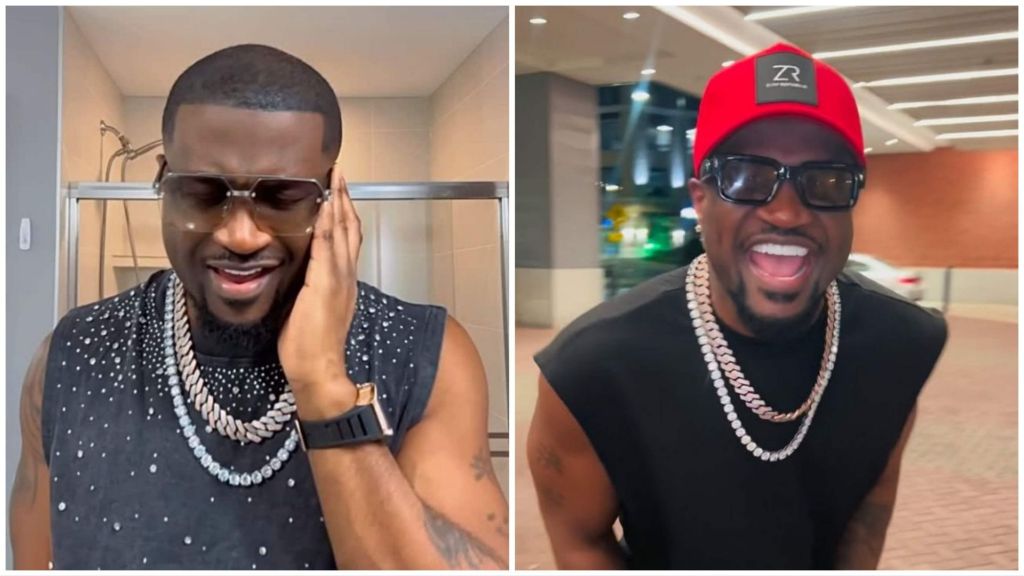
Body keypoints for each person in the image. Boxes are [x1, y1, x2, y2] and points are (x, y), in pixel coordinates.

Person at [11, 44, 508, 570]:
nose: (241, 234)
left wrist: (322, 383)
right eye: (203, 192)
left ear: (331, 194)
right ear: (162, 181)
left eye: (282, 196)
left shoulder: (423, 354)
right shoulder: (75, 354)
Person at [527, 43, 947, 570]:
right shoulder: (590, 370)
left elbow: (868, 516)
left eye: (825, 180)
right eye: (747, 176)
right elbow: (580, 544)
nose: (787, 213)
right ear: (700, 198)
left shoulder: (901, 345)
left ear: (853, 199)